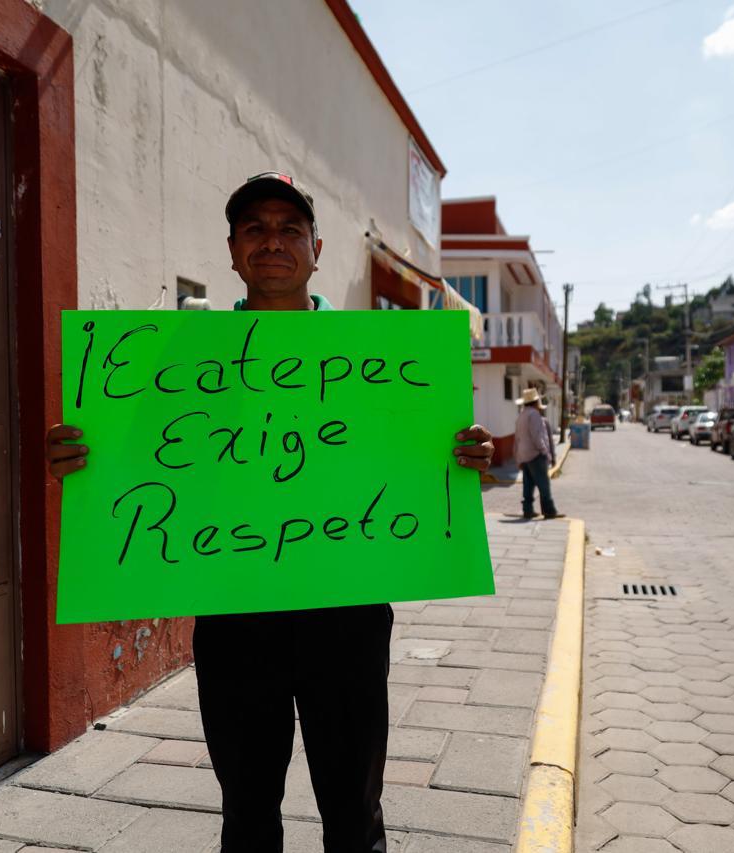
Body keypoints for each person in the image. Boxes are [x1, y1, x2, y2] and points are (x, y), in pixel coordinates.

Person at [47, 172, 495, 853]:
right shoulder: (180, 362)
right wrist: (83, 458)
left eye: (290, 228)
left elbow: (418, 453)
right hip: (235, 620)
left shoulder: (375, 359)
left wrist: (462, 455)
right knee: (248, 813)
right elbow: (136, 461)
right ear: (232, 252)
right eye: (254, 228)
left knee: (354, 810)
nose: (273, 241)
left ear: (317, 249)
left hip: (346, 613)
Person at [514, 388, 564, 520]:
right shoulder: (534, 415)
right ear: (536, 402)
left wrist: (518, 458)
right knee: (543, 485)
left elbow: (517, 438)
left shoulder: (521, 415)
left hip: (524, 455)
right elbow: (537, 437)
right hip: (535, 455)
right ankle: (549, 511)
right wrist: (546, 453)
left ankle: (528, 510)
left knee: (528, 485)